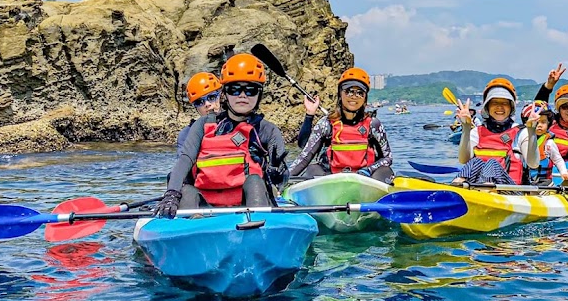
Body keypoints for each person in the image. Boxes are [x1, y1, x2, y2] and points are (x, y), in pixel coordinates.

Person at [154, 53, 288, 218]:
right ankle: (190, 228)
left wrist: (277, 172)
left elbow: (282, 180)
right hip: (207, 207)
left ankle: (259, 228)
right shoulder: (203, 125)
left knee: (255, 181)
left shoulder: (267, 130)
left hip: (251, 207)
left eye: (251, 90)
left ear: (259, 94)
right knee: (187, 191)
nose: (243, 95)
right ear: (225, 93)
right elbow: (185, 159)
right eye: (235, 89)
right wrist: (171, 194)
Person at [288, 67, 395, 183]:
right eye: (349, 91)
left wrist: (368, 170)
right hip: (332, 180)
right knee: (312, 169)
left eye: (360, 93)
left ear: (365, 98)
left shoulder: (374, 125)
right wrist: (283, 178)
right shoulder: (326, 124)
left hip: (365, 179)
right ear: (340, 93)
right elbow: (305, 154)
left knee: (386, 170)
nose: (354, 96)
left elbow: (387, 157)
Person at [453, 77, 538, 186]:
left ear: (511, 107)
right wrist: (466, 128)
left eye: (505, 103)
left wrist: (531, 132)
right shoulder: (476, 132)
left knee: (492, 163)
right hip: (477, 188)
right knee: (475, 161)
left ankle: (486, 186)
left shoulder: (521, 132)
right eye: (494, 102)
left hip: (509, 191)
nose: (499, 107)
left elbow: (533, 164)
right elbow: (463, 160)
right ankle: (457, 185)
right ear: (487, 106)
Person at [521, 101, 568, 186]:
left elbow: (558, 160)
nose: (539, 125)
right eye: (536, 122)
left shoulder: (549, 143)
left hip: (545, 183)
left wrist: (563, 173)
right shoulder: (522, 140)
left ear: (549, 123)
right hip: (525, 183)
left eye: (543, 122)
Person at [175, 71, 222, 155]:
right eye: (200, 102)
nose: (207, 104)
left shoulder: (237, 125)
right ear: (195, 107)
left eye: (212, 97)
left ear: (221, 96)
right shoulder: (186, 135)